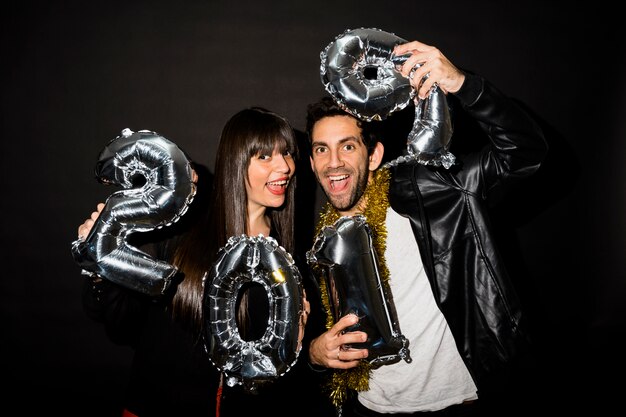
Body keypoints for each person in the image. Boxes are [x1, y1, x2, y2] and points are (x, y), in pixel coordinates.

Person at [304, 40, 548, 417]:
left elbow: (525, 150)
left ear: (375, 156)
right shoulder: (321, 239)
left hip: (456, 403)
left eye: (347, 146)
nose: (333, 162)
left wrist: (463, 85)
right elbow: (321, 338)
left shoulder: (433, 190)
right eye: (321, 149)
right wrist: (316, 354)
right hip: (369, 408)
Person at [76, 107, 329, 416]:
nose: (285, 166)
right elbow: (119, 322)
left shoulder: (287, 257)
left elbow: (270, 378)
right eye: (264, 156)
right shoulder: (182, 228)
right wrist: (103, 266)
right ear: (236, 163)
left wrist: (299, 346)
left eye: (288, 153)